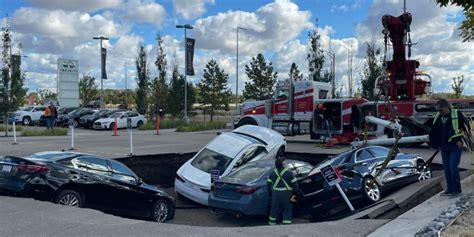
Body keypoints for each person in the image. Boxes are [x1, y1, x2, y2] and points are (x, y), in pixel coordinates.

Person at [429, 99, 470, 197]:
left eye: (441, 110)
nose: (440, 112)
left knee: (452, 166)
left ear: (447, 107)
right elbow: (435, 131)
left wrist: (461, 140)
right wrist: (435, 144)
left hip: (455, 145)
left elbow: (466, 128)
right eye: (438, 110)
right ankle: (450, 189)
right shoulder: (439, 116)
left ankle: (457, 190)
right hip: (444, 146)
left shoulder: (457, 114)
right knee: (446, 168)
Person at [267, 158, 299, 225]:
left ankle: (271, 226)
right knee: (287, 211)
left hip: (275, 195)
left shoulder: (272, 173)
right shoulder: (289, 173)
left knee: (273, 211)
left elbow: (268, 186)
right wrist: (295, 194)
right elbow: (295, 185)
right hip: (287, 195)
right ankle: (286, 227)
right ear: (283, 165)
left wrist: (271, 195)